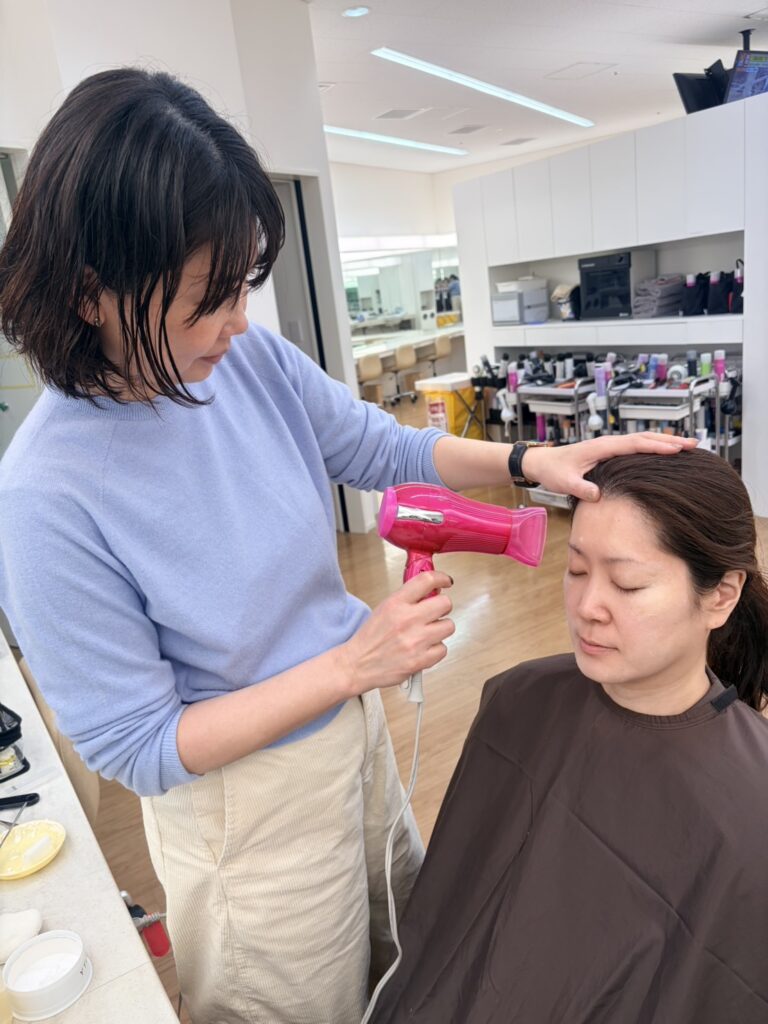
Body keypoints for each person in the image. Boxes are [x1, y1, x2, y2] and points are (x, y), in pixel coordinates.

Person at [0, 67, 696, 1024]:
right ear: (92, 294)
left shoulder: (244, 361)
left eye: (243, 288)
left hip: (352, 743)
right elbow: (141, 747)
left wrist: (532, 459)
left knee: (406, 968)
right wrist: (350, 664)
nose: (238, 323)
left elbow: (383, 447)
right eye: (207, 298)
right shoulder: (45, 498)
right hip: (247, 814)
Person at [369, 449, 768, 1024]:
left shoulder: (753, 806)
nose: (587, 607)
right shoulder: (518, 700)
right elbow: (449, 916)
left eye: (627, 584)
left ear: (721, 596)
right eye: (576, 570)